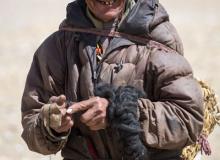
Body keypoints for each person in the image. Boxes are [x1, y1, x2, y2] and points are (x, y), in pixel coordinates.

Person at [21, 0, 203, 159]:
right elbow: (31, 121)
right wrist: (51, 126)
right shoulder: (58, 47)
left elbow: (190, 119)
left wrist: (120, 112)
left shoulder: (157, 44)